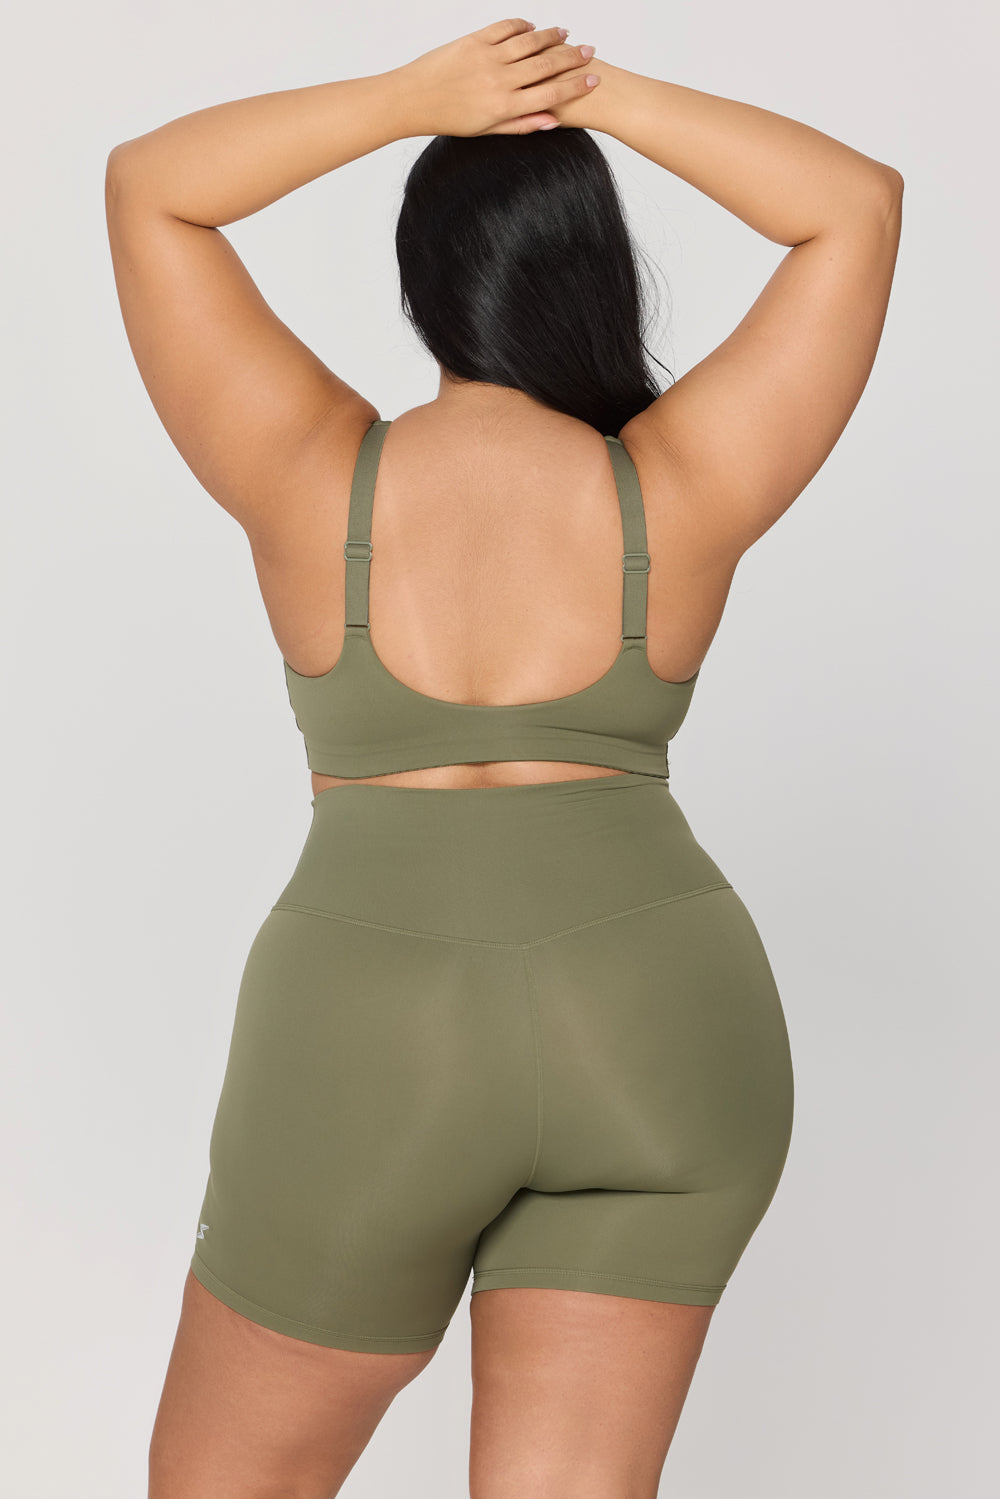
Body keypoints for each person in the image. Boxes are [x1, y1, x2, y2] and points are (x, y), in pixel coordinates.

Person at [105, 17, 903, 1498]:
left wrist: (412, 99)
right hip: (658, 1015)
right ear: (598, 274)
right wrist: (596, 93)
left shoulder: (309, 469)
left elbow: (153, 186)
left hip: (372, 1026)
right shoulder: (684, 480)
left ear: (423, 283)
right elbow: (853, 205)